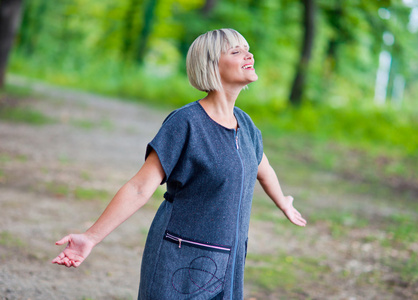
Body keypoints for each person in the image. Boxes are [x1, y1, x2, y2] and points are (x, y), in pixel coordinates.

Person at [52, 28, 307, 300]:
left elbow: (262, 167)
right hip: (180, 256)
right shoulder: (185, 123)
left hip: (230, 261)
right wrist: (91, 237)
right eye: (236, 51)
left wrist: (283, 201)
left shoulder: (245, 125)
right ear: (211, 65)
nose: (249, 54)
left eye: (246, 48)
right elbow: (140, 187)